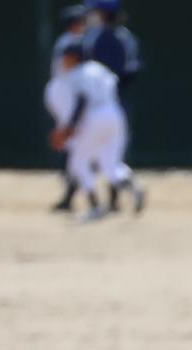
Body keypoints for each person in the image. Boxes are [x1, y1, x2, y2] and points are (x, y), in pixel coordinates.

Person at [49, 46, 145, 221]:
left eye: (66, 57)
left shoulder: (77, 73)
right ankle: (133, 188)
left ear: (73, 57)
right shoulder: (100, 69)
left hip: (94, 115)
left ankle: (95, 205)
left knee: (77, 161)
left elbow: (82, 100)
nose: (64, 61)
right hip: (115, 113)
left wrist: (69, 127)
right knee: (110, 163)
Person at [47, 6, 89, 213]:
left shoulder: (70, 41)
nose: (84, 25)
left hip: (64, 92)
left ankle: (71, 187)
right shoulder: (70, 42)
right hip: (64, 93)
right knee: (72, 141)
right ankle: (70, 187)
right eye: (81, 22)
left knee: (73, 141)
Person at [83, 0, 142, 105]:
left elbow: (132, 68)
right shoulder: (91, 35)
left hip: (116, 95)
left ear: (105, 14)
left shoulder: (125, 38)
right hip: (94, 94)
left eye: (95, 11)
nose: (91, 14)